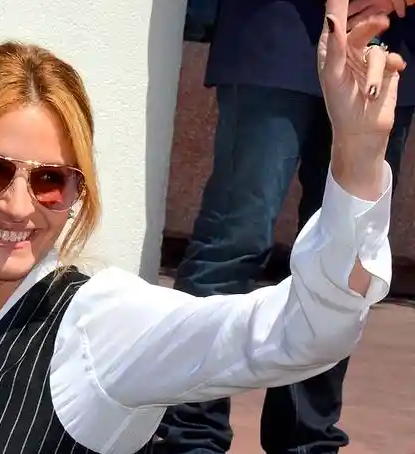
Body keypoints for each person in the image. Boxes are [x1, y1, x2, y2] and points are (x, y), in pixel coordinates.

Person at [0, 4, 402, 452]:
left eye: (50, 181)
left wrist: (356, 158)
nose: (17, 207)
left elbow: (301, 331)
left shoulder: (99, 331)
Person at [157, 2, 413, 453]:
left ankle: (306, 438)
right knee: (235, 239)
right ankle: (189, 436)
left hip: (390, 33)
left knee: (349, 252)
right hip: (275, 23)